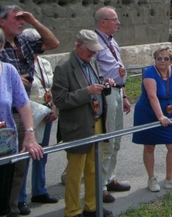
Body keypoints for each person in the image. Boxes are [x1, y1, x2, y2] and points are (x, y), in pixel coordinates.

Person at [0, 4, 59, 217]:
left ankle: (12, 206)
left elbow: (53, 42)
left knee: (19, 164)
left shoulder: (24, 41)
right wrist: (13, 81)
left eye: (23, 18)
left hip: (22, 111)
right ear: (1, 21)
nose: (21, 22)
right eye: (17, 18)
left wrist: (34, 21)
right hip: (2, 112)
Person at [51, 30, 114, 217]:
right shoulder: (63, 67)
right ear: (79, 46)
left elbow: (95, 83)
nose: (93, 54)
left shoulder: (92, 62)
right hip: (77, 126)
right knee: (75, 172)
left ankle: (92, 206)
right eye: (90, 51)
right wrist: (86, 91)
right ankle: (72, 210)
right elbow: (60, 99)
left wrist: (105, 83)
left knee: (94, 169)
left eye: (95, 51)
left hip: (97, 122)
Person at [0, 26, 44, 217]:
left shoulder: (8, 70)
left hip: (4, 142)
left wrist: (30, 134)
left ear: (0, 46)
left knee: (2, 195)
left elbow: (23, 104)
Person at [132, 47, 172, 192]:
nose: (162, 61)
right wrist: (160, 116)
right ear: (155, 60)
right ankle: (151, 178)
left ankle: (169, 179)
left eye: (165, 58)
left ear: (171, 61)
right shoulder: (149, 72)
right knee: (149, 146)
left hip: (168, 111)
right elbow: (152, 96)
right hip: (148, 112)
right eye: (159, 58)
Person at [93, 7, 131, 203]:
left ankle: (110, 178)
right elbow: (92, 71)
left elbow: (117, 68)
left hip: (117, 91)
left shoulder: (111, 40)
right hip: (105, 94)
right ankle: (99, 187)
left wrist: (124, 95)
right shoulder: (95, 42)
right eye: (114, 20)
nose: (118, 23)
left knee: (115, 139)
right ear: (102, 22)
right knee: (107, 141)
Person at [18, 29, 59, 208]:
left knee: (42, 153)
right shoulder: (19, 65)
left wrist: (53, 109)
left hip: (46, 112)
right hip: (30, 113)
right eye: (33, 41)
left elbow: (51, 89)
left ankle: (39, 190)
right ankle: (19, 198)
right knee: (24, 155)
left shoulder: (44, 63)